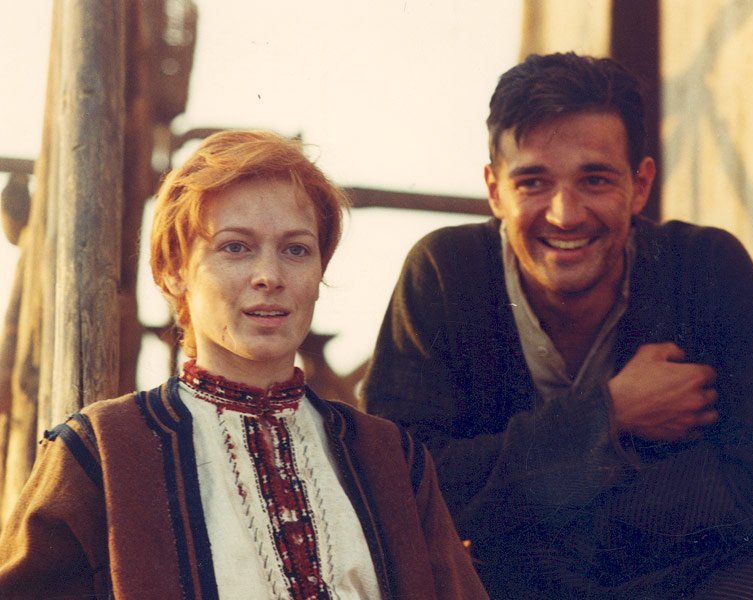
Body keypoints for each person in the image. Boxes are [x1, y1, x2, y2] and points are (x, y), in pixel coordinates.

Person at [362, 53, 753, 599]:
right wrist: (610, 415)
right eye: (533, 182)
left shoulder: (704, 268)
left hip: (702, 579)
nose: (565, 214)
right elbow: (399, 493)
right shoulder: (446, 274)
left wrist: (522, 502)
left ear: (640, 185)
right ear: (495, 191)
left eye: (595, 179)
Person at [0, 130, 488, 599]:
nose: (269, 276)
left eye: (296, 250)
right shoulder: (101, 452)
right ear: (174, 270)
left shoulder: (391, 459)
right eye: (235, 247)